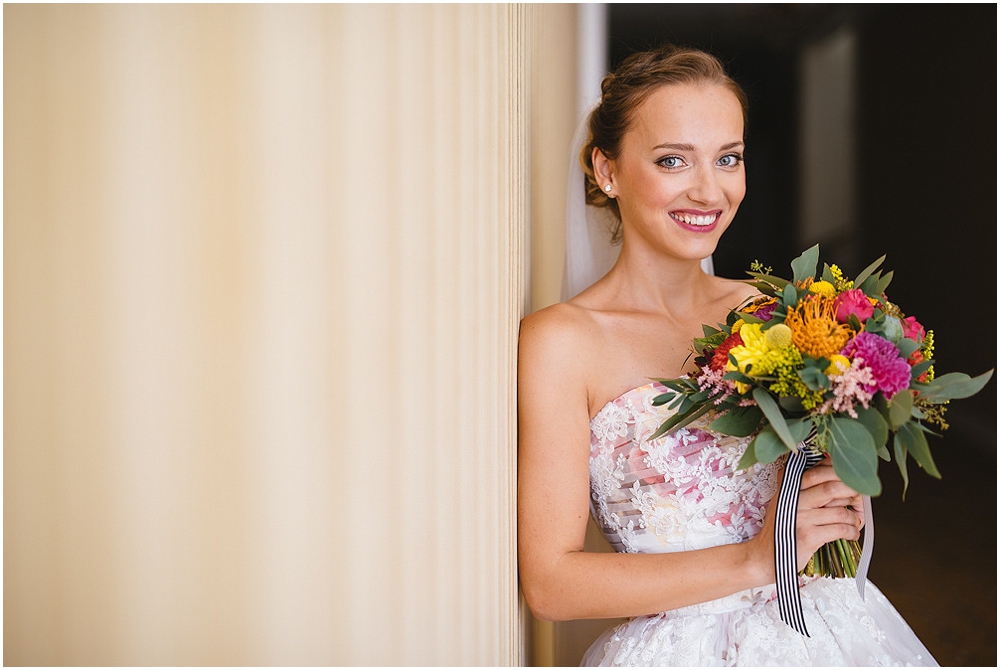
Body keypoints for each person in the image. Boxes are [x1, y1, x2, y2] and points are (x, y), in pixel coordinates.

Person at [517, 45, 937, 666]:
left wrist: (839, 492)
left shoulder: (778, 312)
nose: (709, 190)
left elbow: (820, 475)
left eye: (728, 159)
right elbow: (551, 585)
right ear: (607, 170)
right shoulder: (561, 342)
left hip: (832, 632)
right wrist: (757, 560)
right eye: (672, 160)